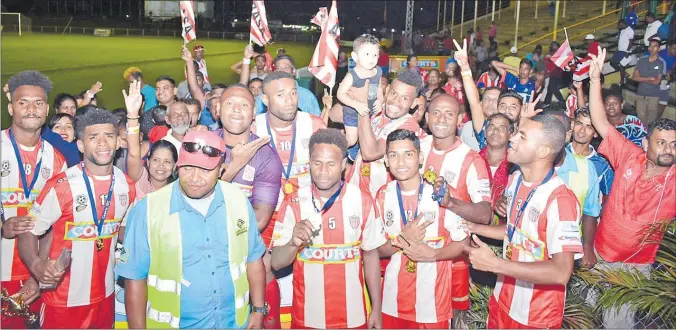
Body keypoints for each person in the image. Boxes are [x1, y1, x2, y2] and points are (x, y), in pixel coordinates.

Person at [117, 130, 267, 329]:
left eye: (205, 170)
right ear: (178, 166)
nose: (195, 177)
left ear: (221, 169)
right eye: (188, 168)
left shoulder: (237, 200)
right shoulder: (148, 210)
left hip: (234, 323)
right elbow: (135, 279)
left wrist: (258, 310)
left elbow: (253, 258)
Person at [17, 108, 136, 328]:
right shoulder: (61, 186)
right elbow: (27, 230)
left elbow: (124, 233)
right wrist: (35, 265)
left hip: (106, 295)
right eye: (93, 137)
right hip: (63, 300)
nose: (102, 143)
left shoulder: (126, 186)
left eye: (109, 136)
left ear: (118, 142)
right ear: (80, 145)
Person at [467, 113, 583, 329]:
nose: (512, 139)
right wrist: (473, 227)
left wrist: (495, 264)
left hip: (536, 316)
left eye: (522, 136)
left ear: (543, 151)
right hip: (504, 298)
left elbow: (561, 272)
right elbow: (515, 231)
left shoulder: (560, 201)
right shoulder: (516, 179)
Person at [587, 47, 675, 328]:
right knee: (587, 317)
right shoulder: (628, 154)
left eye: (674, 144)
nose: (668, 149)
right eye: (661, 142)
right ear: (646, 142)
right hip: (599, 256)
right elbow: (600, 122)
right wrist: (594, 80)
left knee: (616, 324)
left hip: (634, 271)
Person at [270, 128, 386, 329]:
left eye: (330, 164)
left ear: (342, 165)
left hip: (354, 316)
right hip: (307, 318)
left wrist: (376, 307)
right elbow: (277, 263)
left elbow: (370, 256)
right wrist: (292, 244)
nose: (323, 171)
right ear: (309, 164)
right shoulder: (293, 202)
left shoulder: (362, 201)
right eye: (317, 163)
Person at [373, 129, 470, 328]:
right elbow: (376, 249)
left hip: (433, 306)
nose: (400, 162)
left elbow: (463, 243)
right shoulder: (383, 195)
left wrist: (434, 254)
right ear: (386, 160)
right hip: (392, 302)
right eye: (394, 155)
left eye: (408, 154)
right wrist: (402, 240)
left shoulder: (442, 194)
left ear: (420, 158)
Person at [1, 71, 68, 329]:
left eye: (38, 103)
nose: (31, 109)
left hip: (31, 277)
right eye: (23, 102)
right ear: (11, 107)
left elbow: (55, 226)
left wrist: (38, 274)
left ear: (47, 109)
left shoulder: (57, 160)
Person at [216, 83, 283, 328]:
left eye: (244, 104)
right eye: (229, 103)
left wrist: (211, 226)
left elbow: (260, 219)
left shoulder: (266, 156)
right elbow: (188, 204)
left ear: (254, 113)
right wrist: (234, 166)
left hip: (248, 264)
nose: (236, 110)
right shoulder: (202, 145)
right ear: (217, 109)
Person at [420, 94, 493, 313]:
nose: (441, 119)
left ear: (459, 118)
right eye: (436, 112)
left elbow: (485, 214)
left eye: (449, 114)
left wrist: (451, 202)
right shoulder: (414, 149)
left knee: (450, 319)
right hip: (415, 252)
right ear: (426, 117)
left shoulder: (471, 159)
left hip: (452, 259)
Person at [253, 71, 326, 245]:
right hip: (267, 216)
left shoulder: (314, 125)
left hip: (309, 216)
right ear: (265, 100)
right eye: (281, 95)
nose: (290, 100)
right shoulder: (254, 128)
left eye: (293, 93)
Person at [346, 70, 426, 197]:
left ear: (414, 103)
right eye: (394, 93)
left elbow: (370, 153)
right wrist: (350, 94)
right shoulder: (378, 109)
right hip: (354, 192)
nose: (395, 101)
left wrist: (361, 104)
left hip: (379, 200)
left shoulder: (409, 126)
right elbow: (334, 115)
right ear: (387, 89)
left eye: (405, 98)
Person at [555, 108, 610, 268]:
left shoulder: (599, 165)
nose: (582, 130)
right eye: (579, 123)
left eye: (589, 126)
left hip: (572, 235)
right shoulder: (556, 152)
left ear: (596, 133)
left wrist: (588, 245)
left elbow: (597, 207)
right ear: (572, 124)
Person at [123, 80, 178, 201]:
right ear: (147, 162)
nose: (161, 166)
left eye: (168, 162)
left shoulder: (178, 190)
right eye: (156, 160)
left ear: (175, 166)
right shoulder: (139, 177)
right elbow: (133, 153)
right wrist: (132, 114)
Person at [338, 34, 383, 148]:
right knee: (351, 140)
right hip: (352, 112)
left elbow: (379, 88)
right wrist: (356, 105)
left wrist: (380, 100)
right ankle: (337, 147)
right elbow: (340, 94)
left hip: (371, 111)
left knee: (370, 137)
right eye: (367, 54)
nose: (371, 58)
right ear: (355, 56)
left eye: (375, 55)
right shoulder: (352, 76)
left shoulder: (377, 71)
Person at [253, 54, 322, 116]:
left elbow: (316, 122)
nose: (282, 71)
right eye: (278, 68)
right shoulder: (265, 95)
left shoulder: (307, 96)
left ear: (294, 71)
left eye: (286, 67)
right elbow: (257, 119)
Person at [479, 113, 514, 210]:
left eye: (502, 128)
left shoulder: (517, 168)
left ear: (511, 135)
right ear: (485, 133)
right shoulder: (472, 161)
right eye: (491, 127)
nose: (495, 131)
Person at [633, 38, 666, 125]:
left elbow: (657, 82)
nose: (652, 48)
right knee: (641, 120)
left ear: (659, 48)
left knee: (651, 121)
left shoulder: (661, 62)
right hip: (641, 94)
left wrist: (642, 79)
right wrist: (649, 78)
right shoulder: (641, 60)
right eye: (650, 46)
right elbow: (634, 77)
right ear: (648, 48)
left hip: (653, 96)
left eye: (655, 46)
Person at [610, 19, 634, 84]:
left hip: (625, 51)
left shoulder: (630, 30)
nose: (619, 27)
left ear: (623, 24)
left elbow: (631, 42)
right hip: (619, 50)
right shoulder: (622, 30)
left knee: (621, 65)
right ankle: (625, 74)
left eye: (619, 25)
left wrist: (627, 51)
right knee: (612, 62)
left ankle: (622, 80)